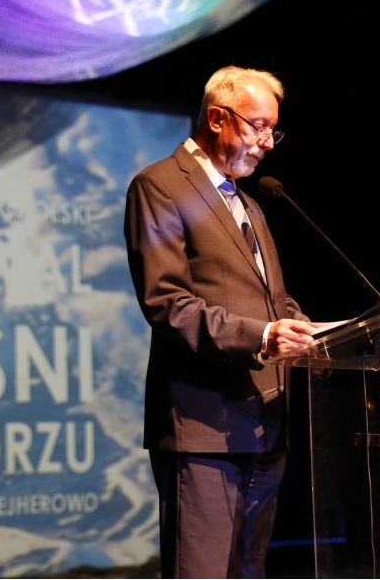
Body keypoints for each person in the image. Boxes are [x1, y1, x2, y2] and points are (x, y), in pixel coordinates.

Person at [124, 66, 314, 578]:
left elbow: (272, 300)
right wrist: (265, 336)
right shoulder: (160, 186)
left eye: (273, 131)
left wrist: (312, 331)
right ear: (217, 118)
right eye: (259, 126)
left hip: (266, 427)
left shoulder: (249, 203)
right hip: (204, 431)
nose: (267, 142)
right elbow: (167, 302)